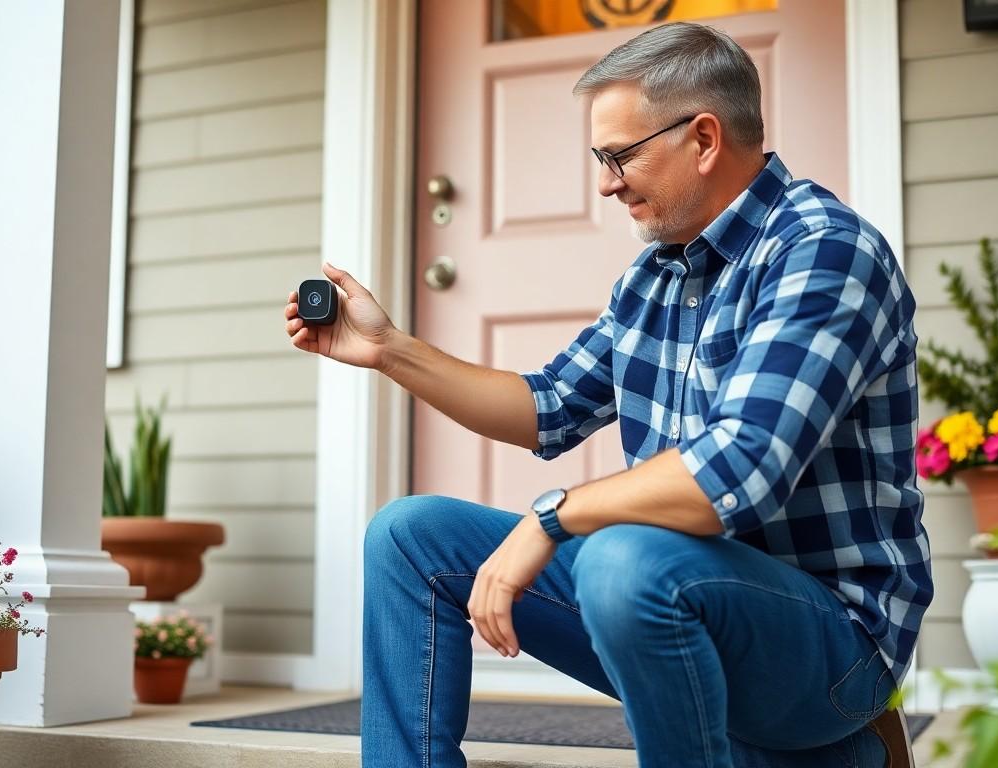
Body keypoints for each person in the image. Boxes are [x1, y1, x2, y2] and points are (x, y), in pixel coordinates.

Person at [282, 21, 930, 768]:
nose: (604, 182)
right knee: (410, 534)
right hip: (681, 596)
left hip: (831, 648)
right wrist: (390, 351)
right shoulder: (655, 277)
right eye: (601, 158)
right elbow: (549, 404)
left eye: (619, 155)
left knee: (621, 561)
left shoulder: (823, 251)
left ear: (705, 139)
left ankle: (835, 741)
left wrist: (549, 519)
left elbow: (740, 470)